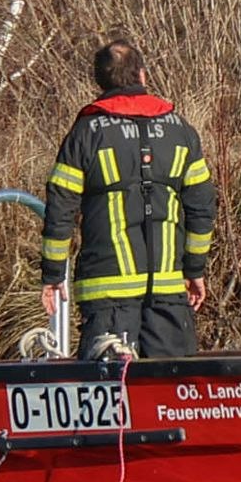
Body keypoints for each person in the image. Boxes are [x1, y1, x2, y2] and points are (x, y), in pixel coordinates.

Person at [39, 40, 216, 365]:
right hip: (168, 293)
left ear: (100, 82)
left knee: (108, 400)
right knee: (170, 397)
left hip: (107, 296)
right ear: (143, 75)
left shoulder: (86, 132)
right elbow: (202, 206)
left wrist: (53, 274)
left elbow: (60, 207)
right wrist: (194, 269)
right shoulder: (182, 131)